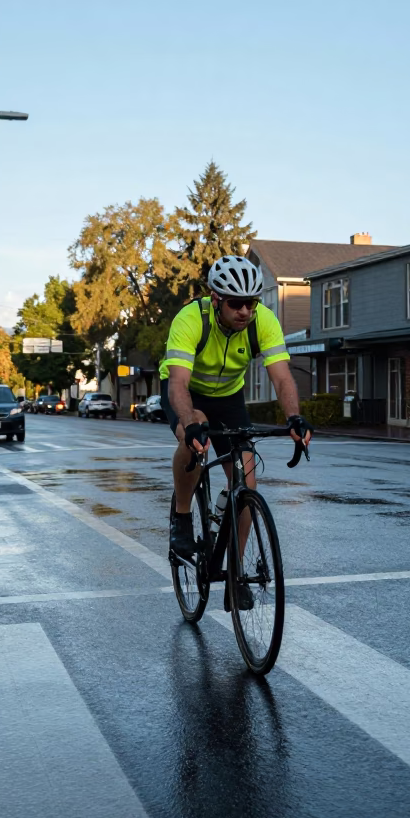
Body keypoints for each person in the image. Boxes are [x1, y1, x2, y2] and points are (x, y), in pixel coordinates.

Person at [159, 255, 312, 603]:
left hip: (229, 396)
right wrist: (190, 424)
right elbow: (178, 384)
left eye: (251, 303)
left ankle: (235, 573)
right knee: (193, 434)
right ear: (215, 299)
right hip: (187, 392)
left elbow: (282, 376)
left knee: (247, 481)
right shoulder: (190, 319)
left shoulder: (263, 322)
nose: (245, 311)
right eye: (236, 303)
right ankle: (182, 518)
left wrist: (294, 418)